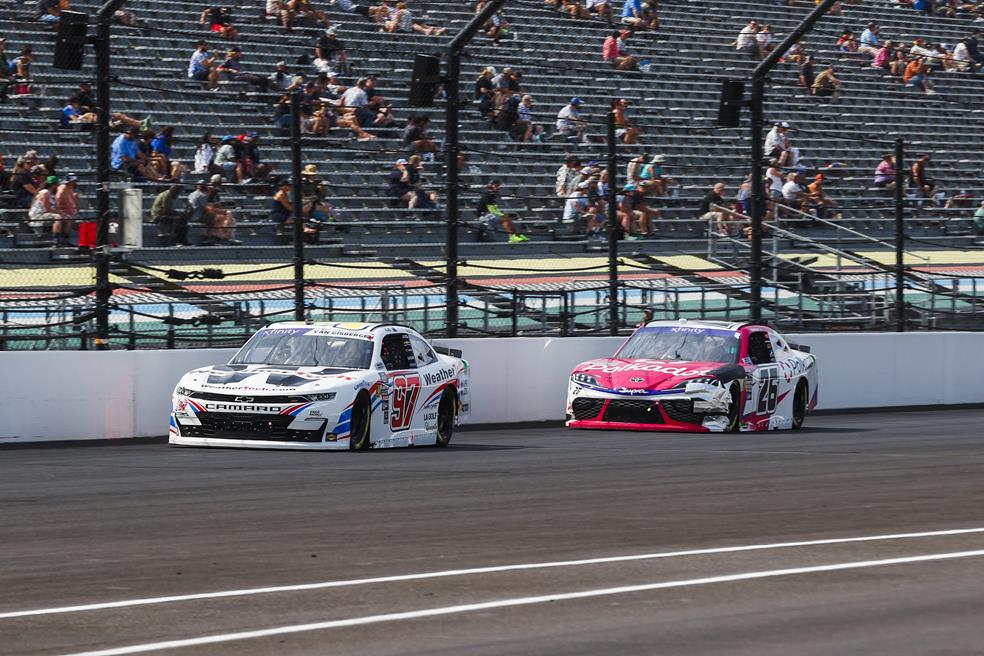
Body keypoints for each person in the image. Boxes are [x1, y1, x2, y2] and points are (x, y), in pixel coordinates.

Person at [53, 173, 79, 245]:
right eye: (73, 181)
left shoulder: (70, 189)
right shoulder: (63, 187)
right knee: (68, 218)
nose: (74, 182)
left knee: (72, 217)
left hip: (67, 210)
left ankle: (65, 238)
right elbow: (58, 198)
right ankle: (58, 239)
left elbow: (73, 202)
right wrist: (59, 210)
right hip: (59, 210)